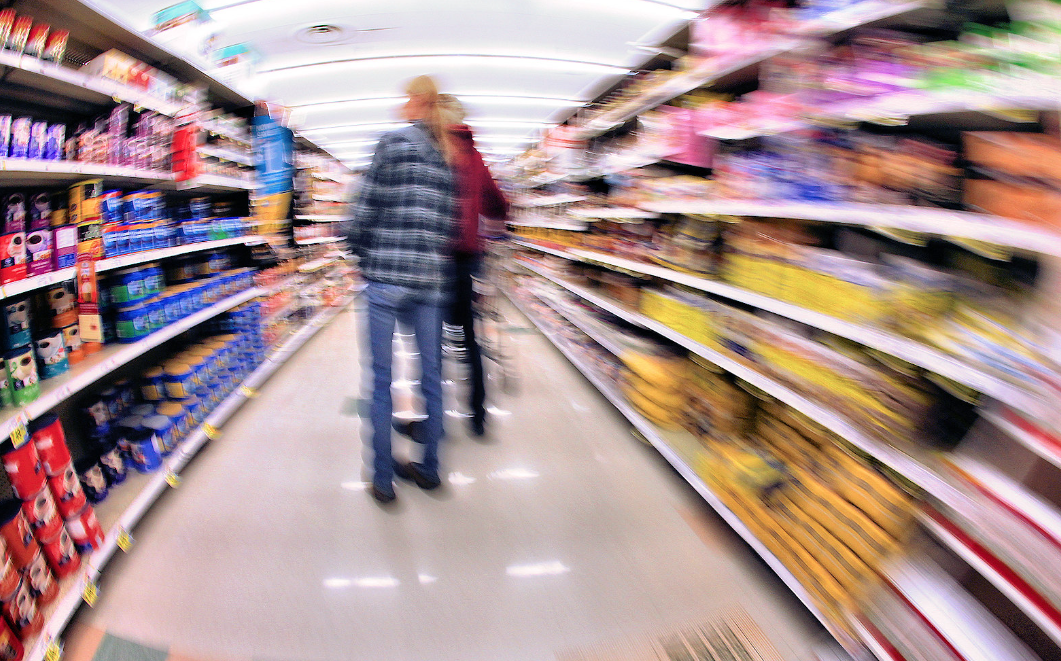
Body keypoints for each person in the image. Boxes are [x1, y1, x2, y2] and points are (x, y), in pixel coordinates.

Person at [348, 75, 455, 503]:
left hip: (386, 278)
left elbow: (364, 208)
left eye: (407, 96)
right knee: (432, 377)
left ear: (419, 101)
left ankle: (382, 479)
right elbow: (447, 226)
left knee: (381, 379)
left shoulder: (391, 143)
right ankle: (430, 469)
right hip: (429, 281)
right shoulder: (446, 156)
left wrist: (360, 252)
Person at [438, 93, 509, 436]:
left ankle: (434, 420)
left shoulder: (432, 150)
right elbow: (499, 204)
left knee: (431, 340)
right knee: (469, 338)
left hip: (433, 259)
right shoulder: (474, 154)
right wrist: (491, 227)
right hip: (466, 261)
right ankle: (478, 415)